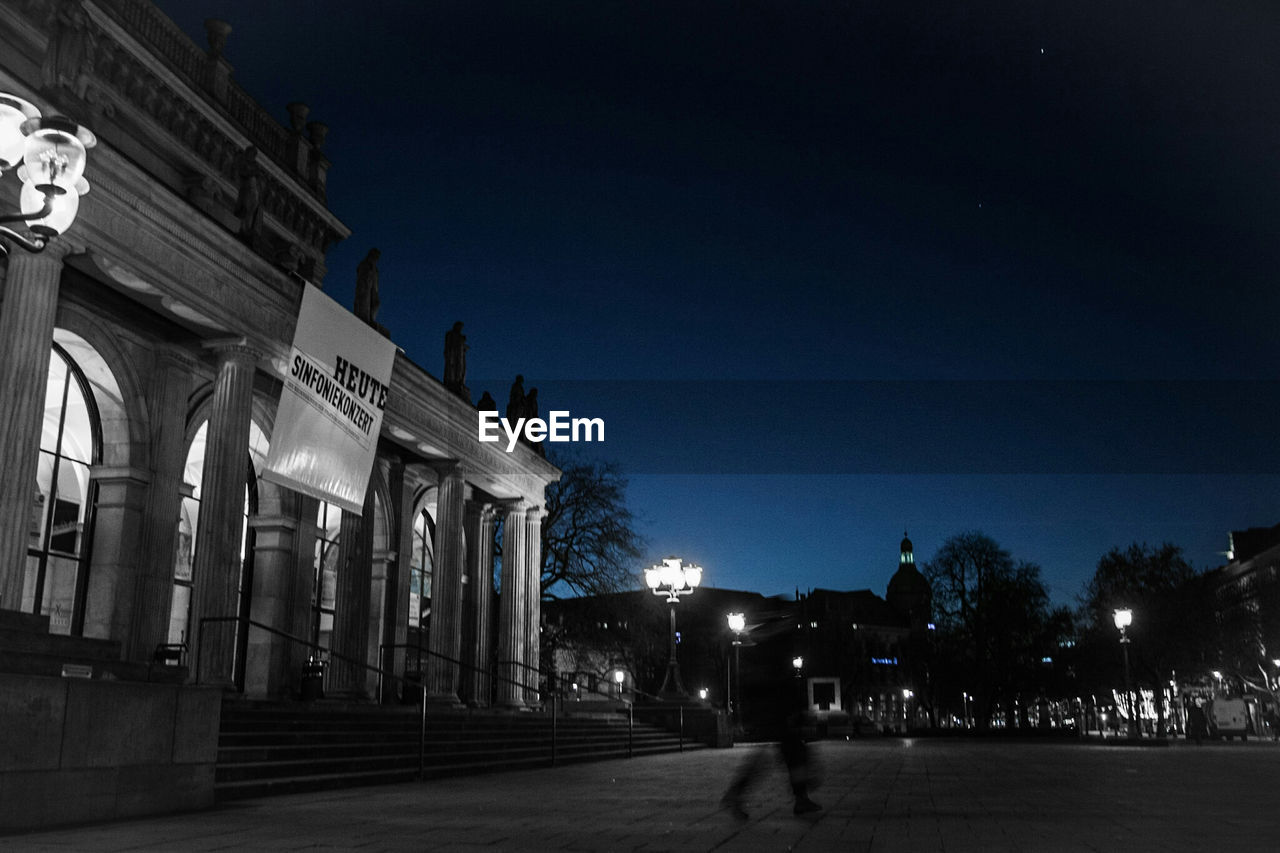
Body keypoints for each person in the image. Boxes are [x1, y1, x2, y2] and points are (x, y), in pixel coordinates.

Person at [721, 674, 821, 819]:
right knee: (790, 751)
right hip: (775, 705)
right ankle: (800, 798)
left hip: (773, 704)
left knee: (788, 752)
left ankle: (801, 797)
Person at [354, 248, 381, 326]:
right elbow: (361, 273)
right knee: (365, 303)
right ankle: (365, 318)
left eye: (377, 257)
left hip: (373, 289)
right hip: (365, 287)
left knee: (376, 303)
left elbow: (375, 280)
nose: (376, 259)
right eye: (375, 256)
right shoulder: (365, 264)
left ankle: (371, 318)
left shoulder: (375, 269)